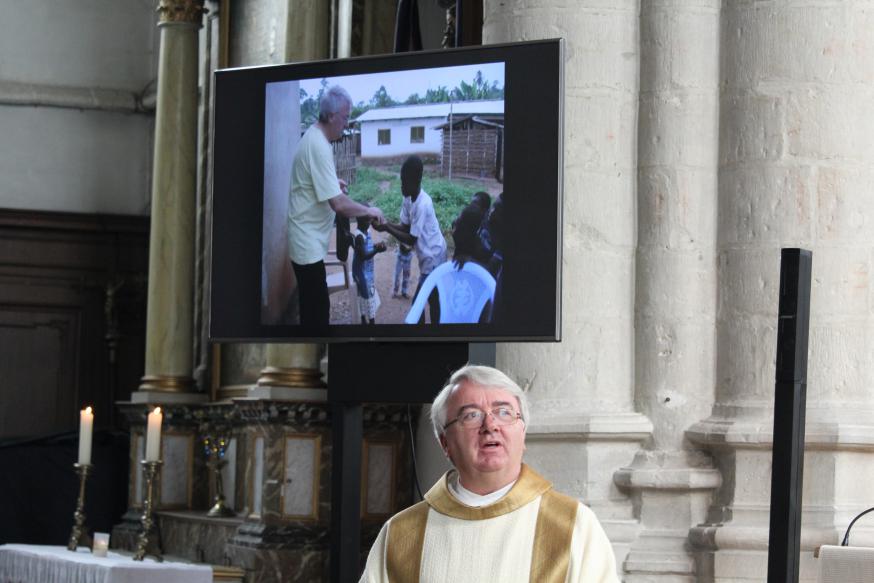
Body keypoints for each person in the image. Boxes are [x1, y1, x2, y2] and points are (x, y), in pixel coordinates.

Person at [359, 365, 620, 582]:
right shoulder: (402, 533)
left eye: (504, 412)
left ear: (523, 432)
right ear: (445, 443)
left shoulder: (573, 525)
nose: (490, 426)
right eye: (471, 415)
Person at [287, 85, 385, 327]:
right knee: (317, 314)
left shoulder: (315, 138)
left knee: (313, 306)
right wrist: (369, 211)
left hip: (307, 241)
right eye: (345, 117)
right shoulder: (319, 146)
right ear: (331, 116)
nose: (347, 122)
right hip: (306, 244)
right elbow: (339, 205)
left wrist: (333, 183)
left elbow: (314, 181)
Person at [373, 155, 447, 323]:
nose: (402, 186)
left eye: (405, 182)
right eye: (401, 181)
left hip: (434, 256)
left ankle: (426, 335)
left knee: (418, 304)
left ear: (418, 180)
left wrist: (386, 228)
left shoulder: (423, 204)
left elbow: (411, 239)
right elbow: (405, 226)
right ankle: (437, 331)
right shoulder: (408, 199)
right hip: (427, 255)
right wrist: (386, 224)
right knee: (434, 299)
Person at [351, 215, 386, 324]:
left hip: (367, 270)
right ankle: (370, 322)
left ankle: (365, 319)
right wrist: (377, 250)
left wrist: (376, 246)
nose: (370, 221)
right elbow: (363, 256)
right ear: (359, 220)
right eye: (368, 219)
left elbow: (367, 248)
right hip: (361, 271)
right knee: (366, 295)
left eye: (370, 219)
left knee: (365, 294)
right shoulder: (359, 236)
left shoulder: (367, 231)